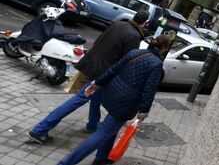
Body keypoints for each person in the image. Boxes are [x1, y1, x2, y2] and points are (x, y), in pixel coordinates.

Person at [28, 10, 150, 144]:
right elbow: (127, 60)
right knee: (79, 98)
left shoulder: (118, 24)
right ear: (145, 23)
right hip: (102, 73)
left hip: (92, 64)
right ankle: (39, 130)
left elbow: (100, 41)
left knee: (96, 97)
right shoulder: (134, 36)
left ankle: (92, 125)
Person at [58, 35, 171, 165]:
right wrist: (143, 111)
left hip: (112, 93)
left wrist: (96, 84)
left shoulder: (135, 53)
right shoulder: (156, 65)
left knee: (111, 130)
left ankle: (102, 159)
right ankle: (65, 163)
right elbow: (149, 90)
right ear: (163, 48)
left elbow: (113, 70)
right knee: (102, 133)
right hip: (126, 104)